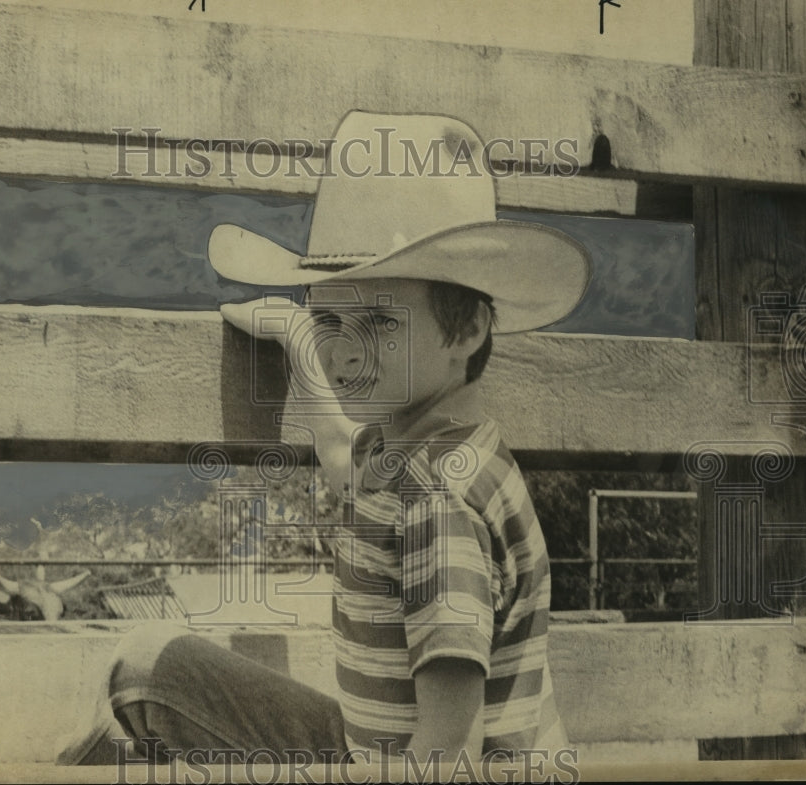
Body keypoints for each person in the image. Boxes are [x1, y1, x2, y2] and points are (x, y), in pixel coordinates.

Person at [57, 110, 591, 769]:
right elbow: (345, 459)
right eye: (329, 317)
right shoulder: (433, 453)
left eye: (376, 320)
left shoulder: (437, 502)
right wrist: (298, 340)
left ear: (467, 330)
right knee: (144, 667)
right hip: (372, 755)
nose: (346, 351)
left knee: (131, 703)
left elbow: (449, 747)